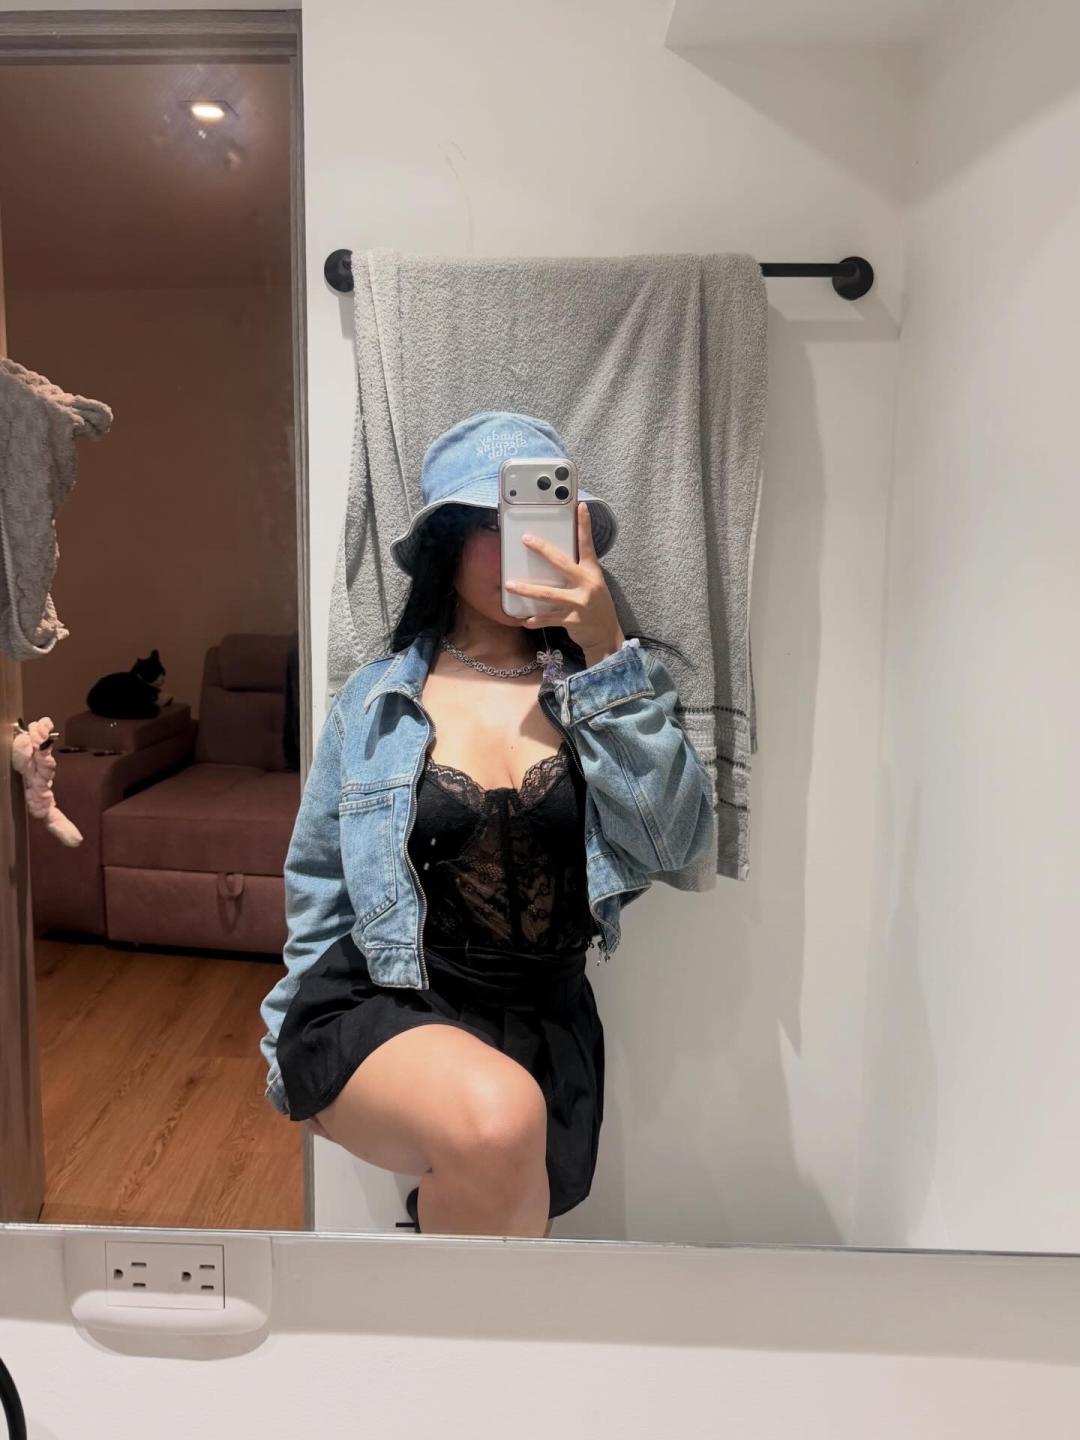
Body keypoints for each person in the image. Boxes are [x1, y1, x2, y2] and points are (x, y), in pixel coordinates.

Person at [258, 411, 715, 1239]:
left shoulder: (610, 685)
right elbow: (319, 881)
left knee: (505, 1253)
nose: (524, 546)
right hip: (384, 999)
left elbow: (673, 843)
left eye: (539, 523)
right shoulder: (377, 701)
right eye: (492, 525)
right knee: (501, 1120)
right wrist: (284, 1044)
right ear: (445, 543)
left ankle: (424, 1284)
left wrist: (607, 658)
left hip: (547, 1019)